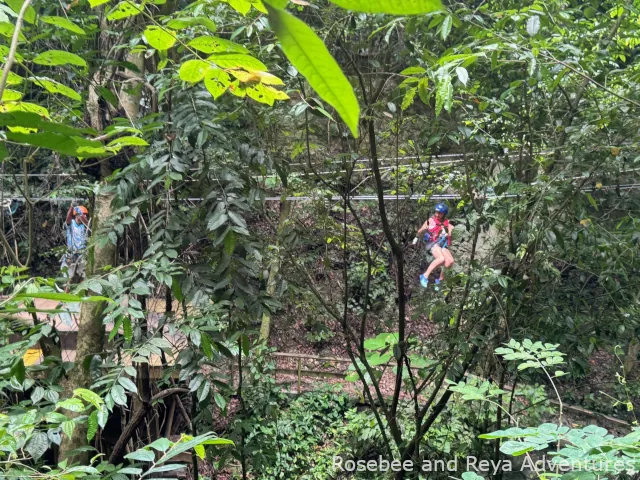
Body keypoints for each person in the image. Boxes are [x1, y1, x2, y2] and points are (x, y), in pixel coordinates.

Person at [416, 203, 454, 289]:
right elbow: (419, 232)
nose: (437, 215)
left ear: (444, 214)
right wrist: (423, 229)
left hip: (442, 245)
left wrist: (450, 232)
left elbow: (450, 236)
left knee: (450, 261)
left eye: (440, 213)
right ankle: (425, 276)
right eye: (436, 212)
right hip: (432, 243)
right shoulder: (431, 221)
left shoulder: (447, 224)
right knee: (441, 258)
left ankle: (440, 281)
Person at [61, 204, 89, 292]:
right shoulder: (71, 224)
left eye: (85, 215)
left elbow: (87, 223)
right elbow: (68, 220)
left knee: (83, 276)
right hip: (71, 254)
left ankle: (81, 296)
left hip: (82, 254)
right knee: (68, 278)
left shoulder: (85, 226)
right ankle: (65, 298)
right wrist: (71, 208)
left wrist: (82, 215)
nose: (84, 216)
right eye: (82, 214)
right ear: (76, 215)